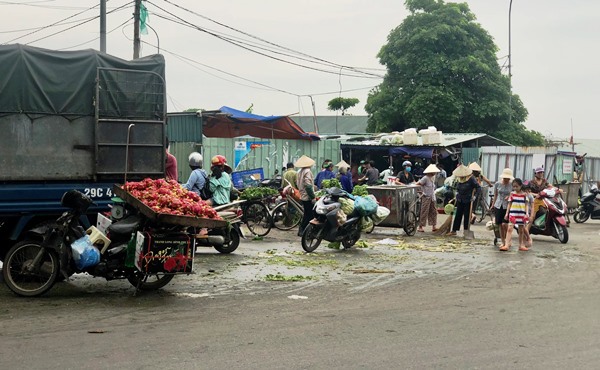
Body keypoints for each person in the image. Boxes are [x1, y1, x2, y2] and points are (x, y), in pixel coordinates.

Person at [446, 164, 480, 236]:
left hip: (468, 199)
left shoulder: (471, 179)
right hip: (460, 199)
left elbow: (478, 187)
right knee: (458, 215)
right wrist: (457, 194)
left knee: (467, 216)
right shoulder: (459, 179)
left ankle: (466, 230)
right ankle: (454, 230)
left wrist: (475, 196)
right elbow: (458, 188)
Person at [501, 178, 530, 252]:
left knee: (521, 230)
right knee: (509, 228)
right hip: (513, 213)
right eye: (513, 186)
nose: (515, 188)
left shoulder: (524, 195)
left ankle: (521, 245)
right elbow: (509, 204)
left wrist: (526, 213)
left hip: (521, 214)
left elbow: (526, 205)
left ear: (520, 186)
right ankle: (507, 244)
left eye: (517, 186)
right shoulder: (512, 194)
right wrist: (507, 213)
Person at [490, 168, 514, 247]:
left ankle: (508, 239)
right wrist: (493, 205)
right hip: (498, 205)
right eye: (505, 178)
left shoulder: (512, 185)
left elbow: (514, 193)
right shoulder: (497, 184)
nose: (506, 180)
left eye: (508, 178)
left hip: (507, 206)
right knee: (499, 224)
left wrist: (510, 196)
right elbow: (496, 195)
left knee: (505, 224)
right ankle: (503, 241)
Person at [296, 155, 316, 236]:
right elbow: (308, 185)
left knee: (307, 214)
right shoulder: (307, 171)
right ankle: (304, 230)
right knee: (309, 215)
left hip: (302, 195)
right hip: (307, 196)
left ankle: (304, 230)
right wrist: (312, 197)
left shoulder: (299, 171)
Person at [417, 164, 440, 232]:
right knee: (424, 211)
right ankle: (420, 226)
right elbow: (418, 184)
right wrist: (421, 192)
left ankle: (433, 226)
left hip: (432, 197)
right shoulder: (425, 178)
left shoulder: (432, 178)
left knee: (433, 212)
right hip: (426, 197)